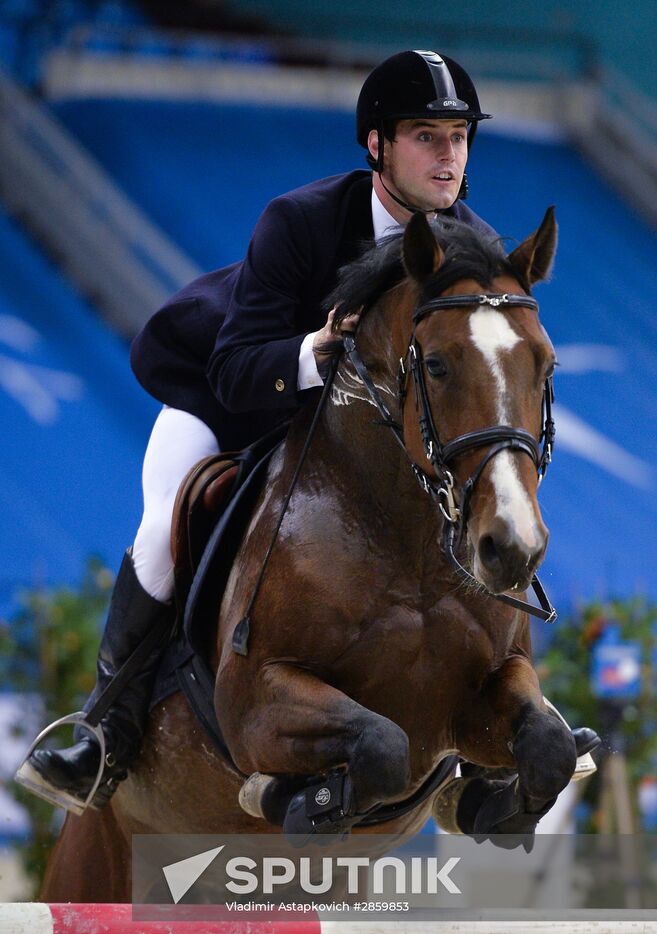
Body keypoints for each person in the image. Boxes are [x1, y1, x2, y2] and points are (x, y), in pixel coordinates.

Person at [18, 49, 598, 813]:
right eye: (426, 136)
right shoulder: (299, 221)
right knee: (165, 524)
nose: (447, 156)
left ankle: (473, 768)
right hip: (233, 393)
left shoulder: (471, 241)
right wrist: (312, 354)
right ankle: (104, 729)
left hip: (360, 432)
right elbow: (233, 365)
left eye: (458, 138)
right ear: (376, 145)